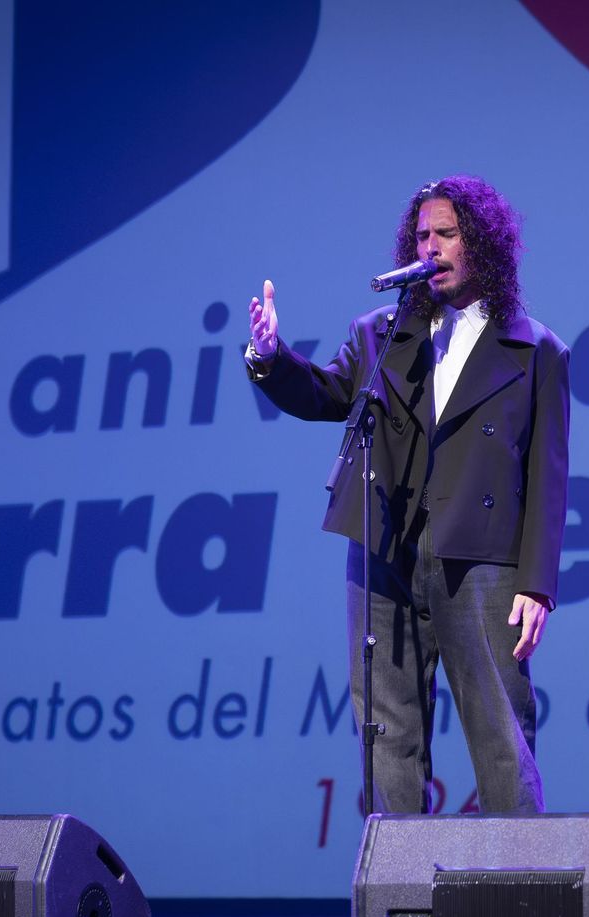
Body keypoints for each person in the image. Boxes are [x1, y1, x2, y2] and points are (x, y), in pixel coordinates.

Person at [242, 175, 570, 815]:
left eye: (447, 234)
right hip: (384, 550)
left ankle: (523, 893)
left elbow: (548, 476)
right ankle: (399, 898)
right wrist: (270, 355)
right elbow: (326, 394)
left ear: (482, 242)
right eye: (422, 236)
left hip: (480, 561)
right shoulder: (382, 333)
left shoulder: (536, 351)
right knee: (384, 732)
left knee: (500, 733)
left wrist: (538, 584)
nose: (432, 247)